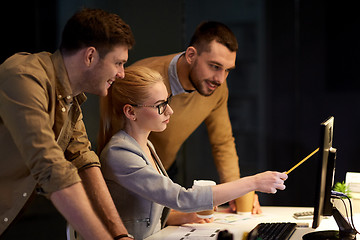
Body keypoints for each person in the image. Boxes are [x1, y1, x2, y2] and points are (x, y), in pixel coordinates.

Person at [98, 66, 288, 239]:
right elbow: (182, 198)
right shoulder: (120, 153)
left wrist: (176, 217)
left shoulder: (146, 145)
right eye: (160, 105)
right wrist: (253, 182)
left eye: (167, 101)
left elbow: (145, 210)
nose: (170, 111)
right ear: (131, 112)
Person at [98, 21, 260, 214]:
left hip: (163, 170)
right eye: (215, 66)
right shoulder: (142, 78)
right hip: (129, 173)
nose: (220, 78)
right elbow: (113, 139)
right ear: (191, 55)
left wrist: (234, 192)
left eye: (227, 70)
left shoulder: (216, 88)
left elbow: (222, 142)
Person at [0, 8, 135, 240]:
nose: (122, 73)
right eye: (118, 63)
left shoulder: (71, 99)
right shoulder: (24, 76)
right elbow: (49, 165)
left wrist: (120, 234)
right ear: (90, 56)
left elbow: (83, 159)